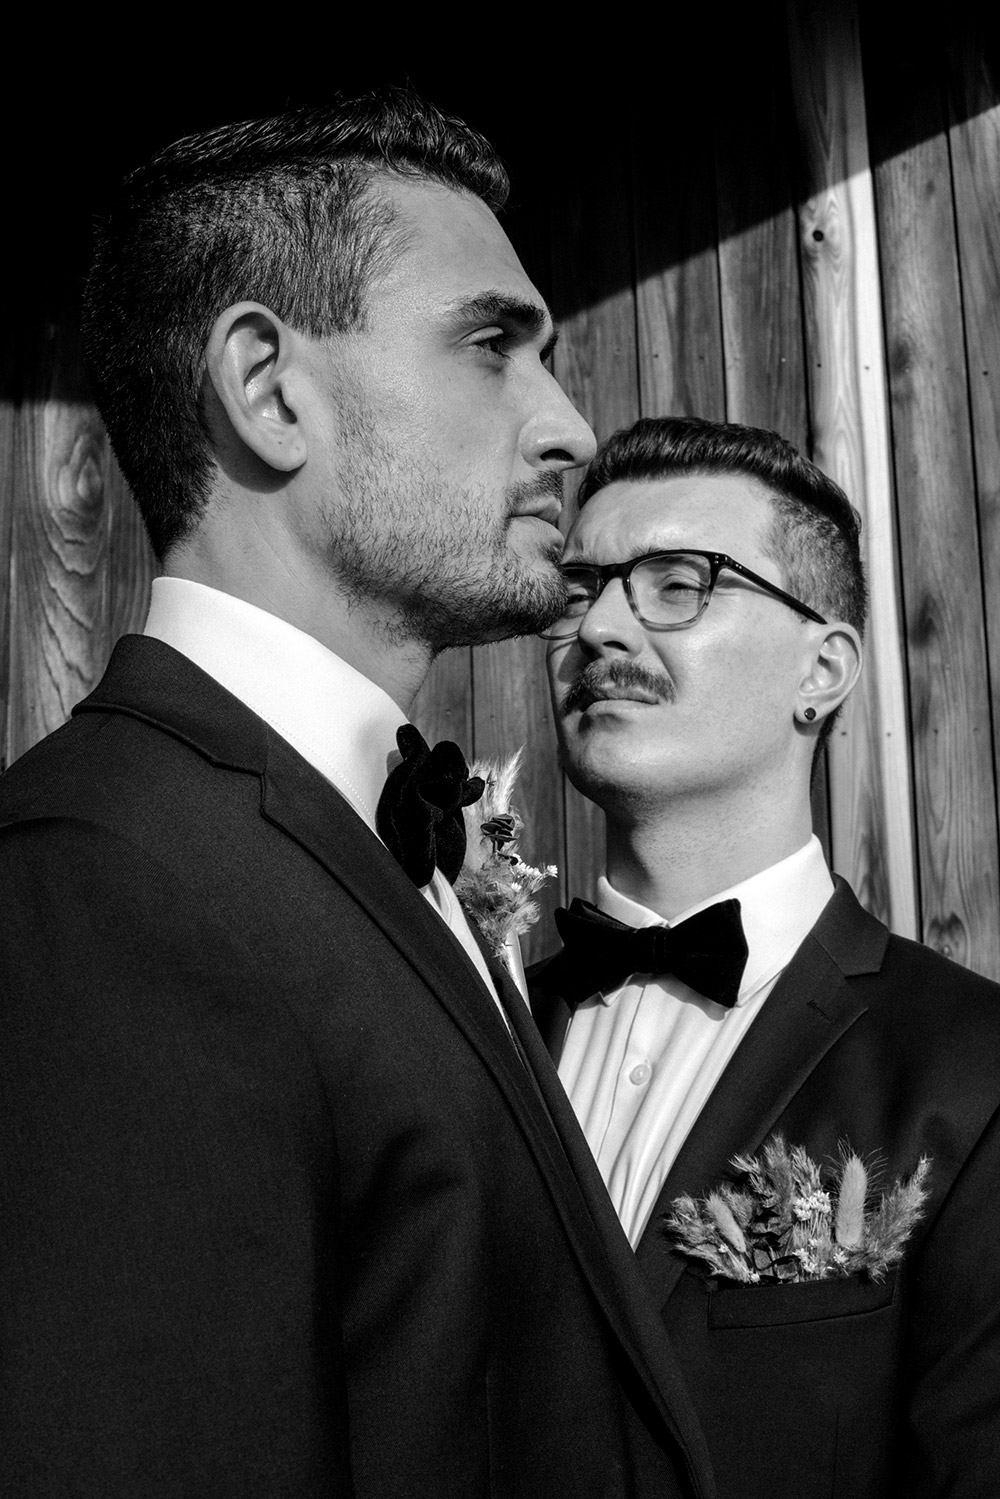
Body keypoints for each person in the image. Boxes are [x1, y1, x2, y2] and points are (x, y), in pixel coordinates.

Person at [0, 96, 715, 1498]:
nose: (572, 426)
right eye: (491, 343)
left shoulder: (378, 842)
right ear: (269, 389)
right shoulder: (103, 886)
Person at [531, 414, 1000, 1499]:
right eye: (579, 587)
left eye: (678, 582)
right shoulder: (471, 1022)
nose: (599, 626)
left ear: (823, 667)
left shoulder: (972, 1074)